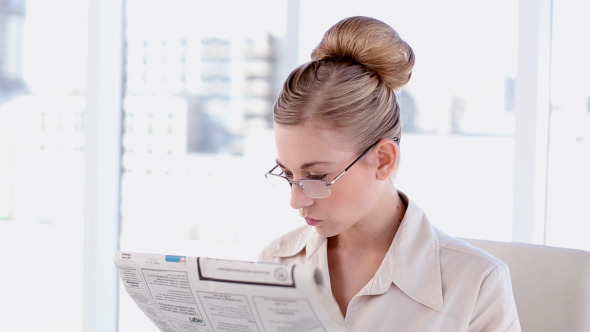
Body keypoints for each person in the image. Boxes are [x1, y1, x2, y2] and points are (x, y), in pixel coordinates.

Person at [259, 16, 521, 331]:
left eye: (316, 177)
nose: (295, 200)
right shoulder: (276, 262)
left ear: (383, 160)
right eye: (287, 173)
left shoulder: (477, 284)